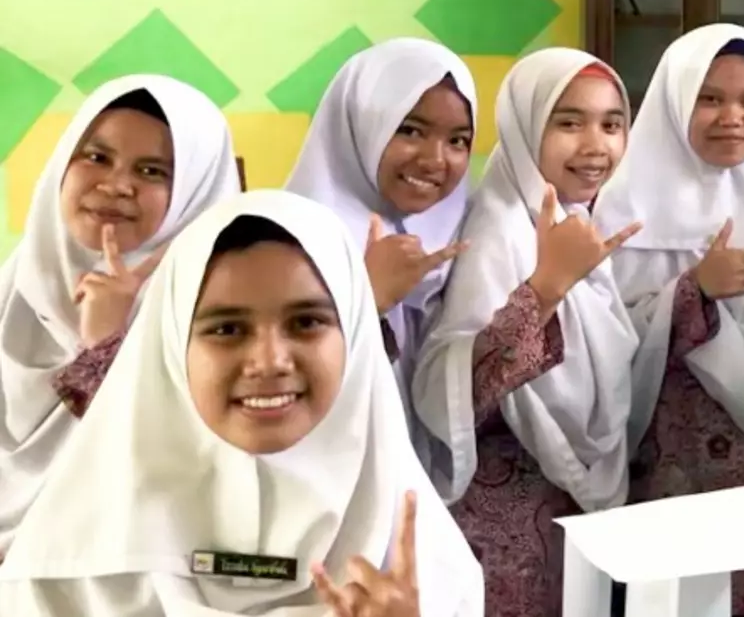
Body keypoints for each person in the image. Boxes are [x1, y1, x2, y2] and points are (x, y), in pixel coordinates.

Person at [0, 189, 482, 616]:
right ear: (171, 347)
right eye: (227, 329)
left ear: (353, 338)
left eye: (306, 322)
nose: (269, 360)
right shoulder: (68, 574)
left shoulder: (423, 575)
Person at [594, 23, 744, 614]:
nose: (732, 117)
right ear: (674, 103)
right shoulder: (623, 209)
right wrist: (693, 289)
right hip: (666, 462)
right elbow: (599, 347)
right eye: (709, 98)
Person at [412, 50, 642, 617]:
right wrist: (545, 288)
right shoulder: (498, 230)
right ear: (523, 125)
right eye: (569, 122)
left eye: (612, 125)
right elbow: (456, 388)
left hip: (564, 513)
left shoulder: (572, 221)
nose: (596, 145)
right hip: (504, 519)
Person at [0, 75, 238, 557]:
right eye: (96, 157)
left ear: (195, 191)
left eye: (152, 171)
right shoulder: (12, 291)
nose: (116, 185)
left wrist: (107, 346)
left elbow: (186, 476)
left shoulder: (219, 313)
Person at [286, 38, 477, 369]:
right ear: (358, 126)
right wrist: (368, 296)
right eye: (411, 130)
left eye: (457, 140)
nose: (434, 160)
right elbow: (284, 372)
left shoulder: (463, 234)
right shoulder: (289, 244)